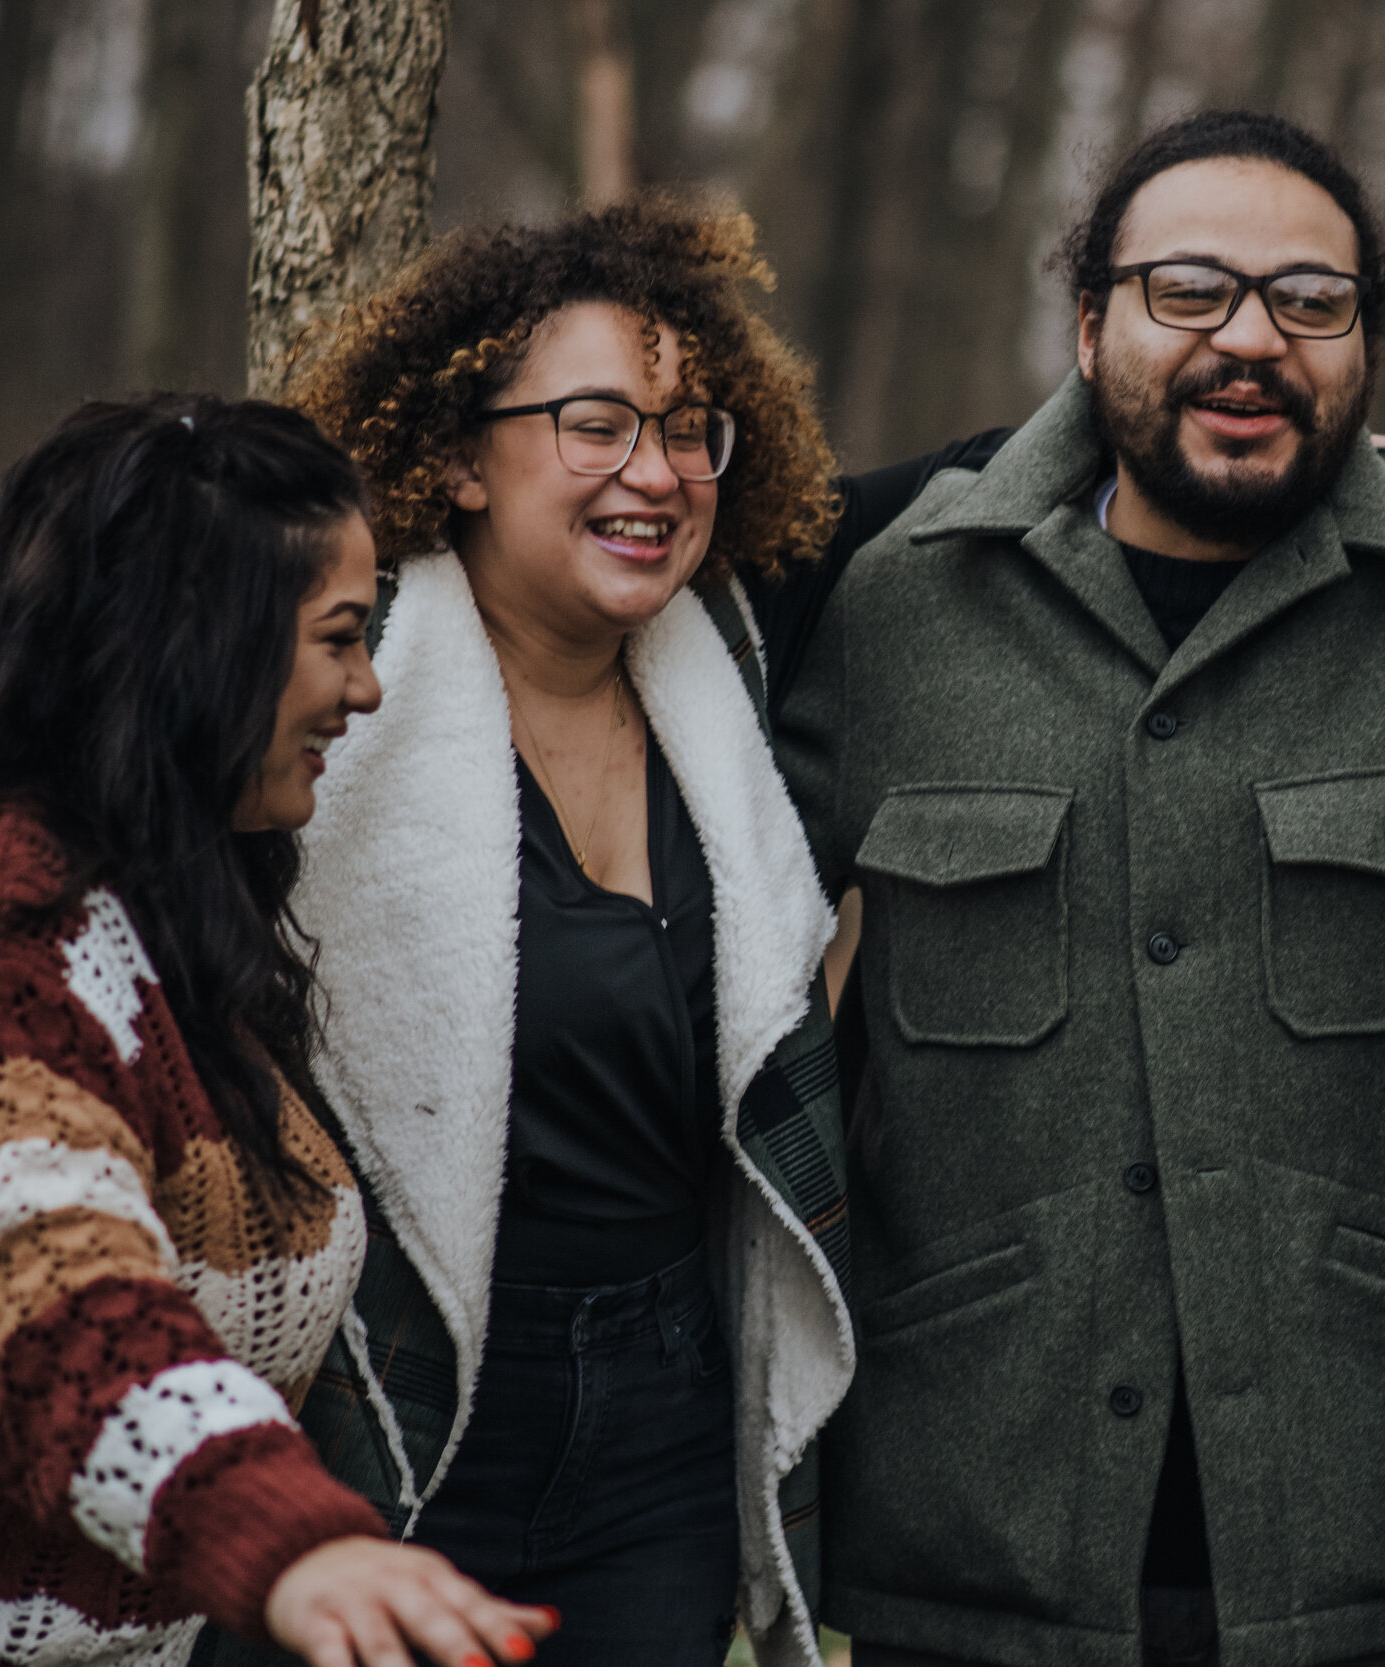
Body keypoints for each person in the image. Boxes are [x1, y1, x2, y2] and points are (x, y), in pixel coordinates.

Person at [773, 110, 1385, 1667]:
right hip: (982, 1554)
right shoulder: (903, 605)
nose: (1250, 339)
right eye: (1188, 290)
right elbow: (704, 912)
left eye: (1310, 300)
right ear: (1090, 325)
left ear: (1366, 345)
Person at [274, 196, 1020, 1667]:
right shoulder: (331, 692)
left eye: (691, 431)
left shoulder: (732, 652)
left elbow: (976, 474)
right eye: (597, 423)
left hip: (665, 1425)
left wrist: (1346, 477)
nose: (658, 473)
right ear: (458, 453)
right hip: (406, 1386)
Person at [0, 396, 554, 1667]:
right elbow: (35, 1280)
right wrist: (284, 1531)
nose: (367, 688)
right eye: (340, 638)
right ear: (200, 642)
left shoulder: (158, 902)